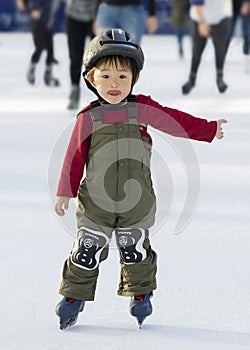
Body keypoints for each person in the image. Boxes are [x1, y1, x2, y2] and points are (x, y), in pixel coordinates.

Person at [54, 28, 227, 330]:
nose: (114, 84)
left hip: (137, 201)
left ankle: (141, 294)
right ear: (91, 78)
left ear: (134, 79)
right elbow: (74, 157)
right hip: (95, 202)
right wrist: (64, 191)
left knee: (133, 248)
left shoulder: (142, 108)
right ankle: (73, 298)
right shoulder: (88, 118)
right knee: (87, 249)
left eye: (123, 76)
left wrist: (208, 129)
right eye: (105, 76)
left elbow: (176, 122)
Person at [182, 0, 232, 95]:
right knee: (197, 51)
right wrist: (202, 22)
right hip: (200, 16)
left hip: (221, 16)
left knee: (220, 49)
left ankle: (219, 78)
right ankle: (192, 79)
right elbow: (197, 2)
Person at [65, 0, 97, 110]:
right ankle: (74, 89)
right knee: (75, 56)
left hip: (95, 16)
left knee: (99, 56)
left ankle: (104, 94)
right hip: (74, 16)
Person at [23, 0, 61, 87]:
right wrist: (34, 8)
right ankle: (31, 70)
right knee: (39, 47)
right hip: (38, 24)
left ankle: (48, 76)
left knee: (50, 50)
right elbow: (34, 3)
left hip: (48, 25)